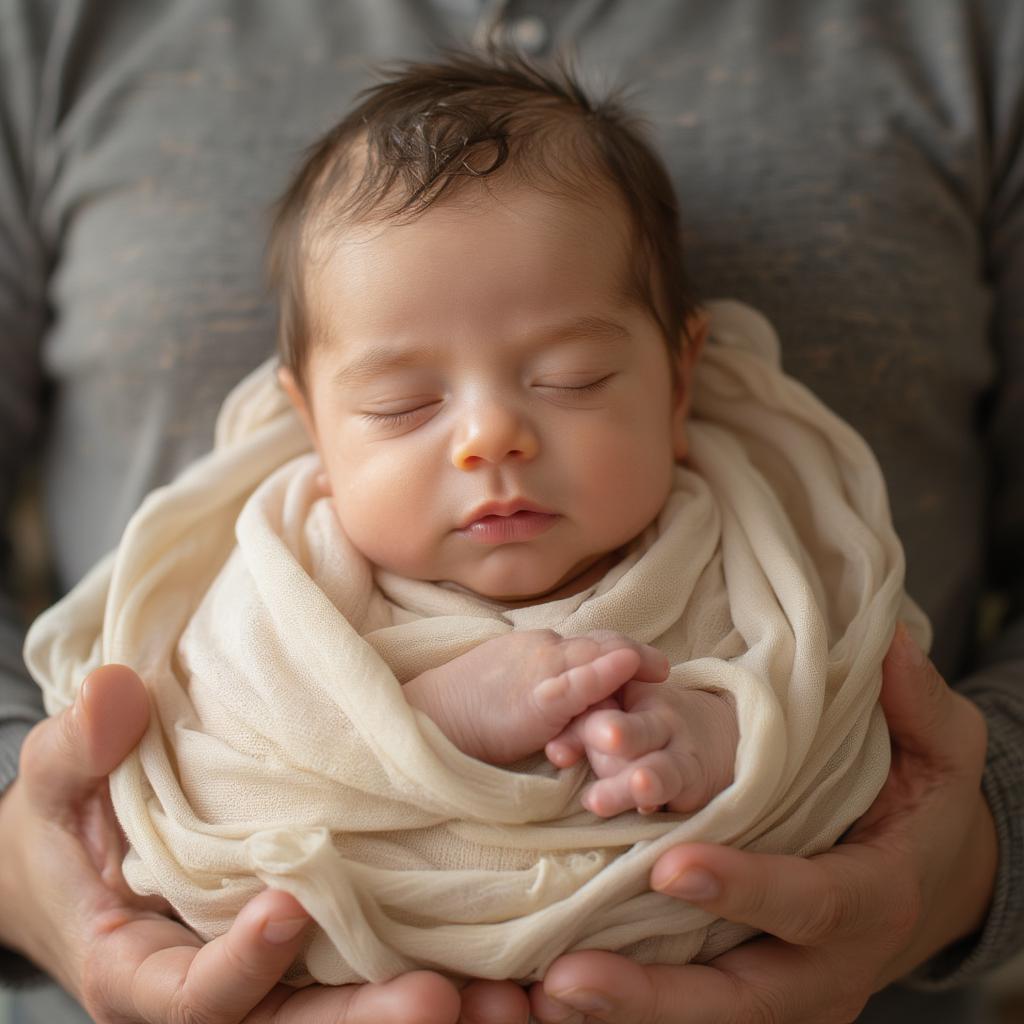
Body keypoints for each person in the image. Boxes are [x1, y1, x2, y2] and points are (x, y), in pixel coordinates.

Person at [0, 2, 1019, 1022]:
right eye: (402, 405)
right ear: (307, 422)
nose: (489, 437)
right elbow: (234, 738)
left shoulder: (755, 541)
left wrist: (723, 737)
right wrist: (429, 713)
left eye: (572, 378)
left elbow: (809, 694)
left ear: (678, 383)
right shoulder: (270, 575)